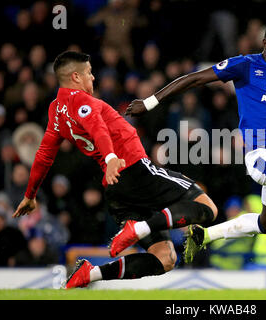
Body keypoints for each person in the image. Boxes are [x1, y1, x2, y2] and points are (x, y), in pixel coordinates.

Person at [126, 21, 266, 276]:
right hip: (262, 155)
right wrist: (150, 102)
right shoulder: (245, 66)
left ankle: (204, 235)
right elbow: (195, 78)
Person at [12, 51, 218, 289]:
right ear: (76, 77)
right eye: (89, 73)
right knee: (207, 208)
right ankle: (139, 227)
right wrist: (111, 157)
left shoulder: (55, 111)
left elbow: (44, 155)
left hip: (117, 190)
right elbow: (97, 128)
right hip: (134, 170)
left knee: (166, 258)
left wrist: (30, 195)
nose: (93, 78)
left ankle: (91, 274)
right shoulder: (82, 101)